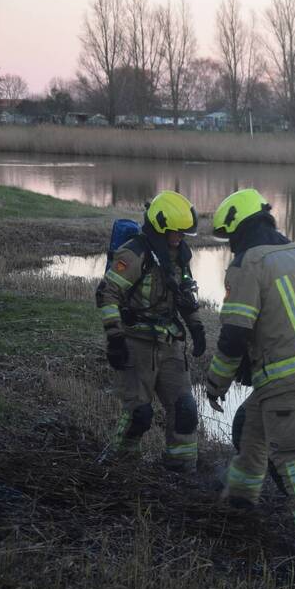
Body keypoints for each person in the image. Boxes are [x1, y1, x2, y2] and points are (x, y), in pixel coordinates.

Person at [204, 188, 295, 550]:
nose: (230, 245)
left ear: (238, 229)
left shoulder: (247, 264)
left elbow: (235, 334)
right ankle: (240, 502)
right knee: (253, 435)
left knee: (293, 458)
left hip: (284, 375)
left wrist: (217, 381)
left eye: (229, 237)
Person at [95, 190, 205, 472]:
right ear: (160, 226)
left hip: (170, 345)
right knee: (139, 415)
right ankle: (120, 466)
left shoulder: (179, 257)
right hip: (136, 345)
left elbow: (184, 295)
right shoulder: (134, 253)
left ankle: (182, 471)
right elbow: (108, 295)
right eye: (176, 232)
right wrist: (115, 338)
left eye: (184, 233)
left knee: (185, 411)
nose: (180, 237)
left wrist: (197, 327)